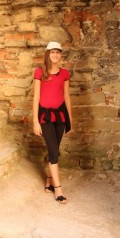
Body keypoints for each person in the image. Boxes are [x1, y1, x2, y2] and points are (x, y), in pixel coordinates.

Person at [32, 41, 72, 204]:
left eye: (58, 52)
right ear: (47, 54)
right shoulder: (39, 72)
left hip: (61, 116)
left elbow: (67, 96)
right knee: (54, 150)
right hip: (45, 116)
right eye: (52, 52)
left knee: (54, 149)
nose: (55, 55)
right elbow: (36, 97)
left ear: (60, 54)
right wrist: (35, 121)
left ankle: (49, 180)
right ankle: (58, 189)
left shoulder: (65, 74)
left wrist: (70, 119)